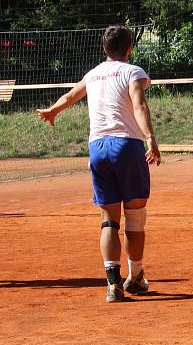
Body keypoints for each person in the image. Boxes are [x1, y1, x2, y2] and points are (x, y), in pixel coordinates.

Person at [36, 25, 161, 303]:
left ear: (105, 48)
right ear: (129, 47)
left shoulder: (93, 74)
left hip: (97, 148)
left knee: (109, 221)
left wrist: (53, 110)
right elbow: (139, 105)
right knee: (135, 216)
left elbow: (70, 96)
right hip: (126, 145)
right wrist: (151, 137)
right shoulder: (132, 72)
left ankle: (113, 284)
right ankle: (137, 276)